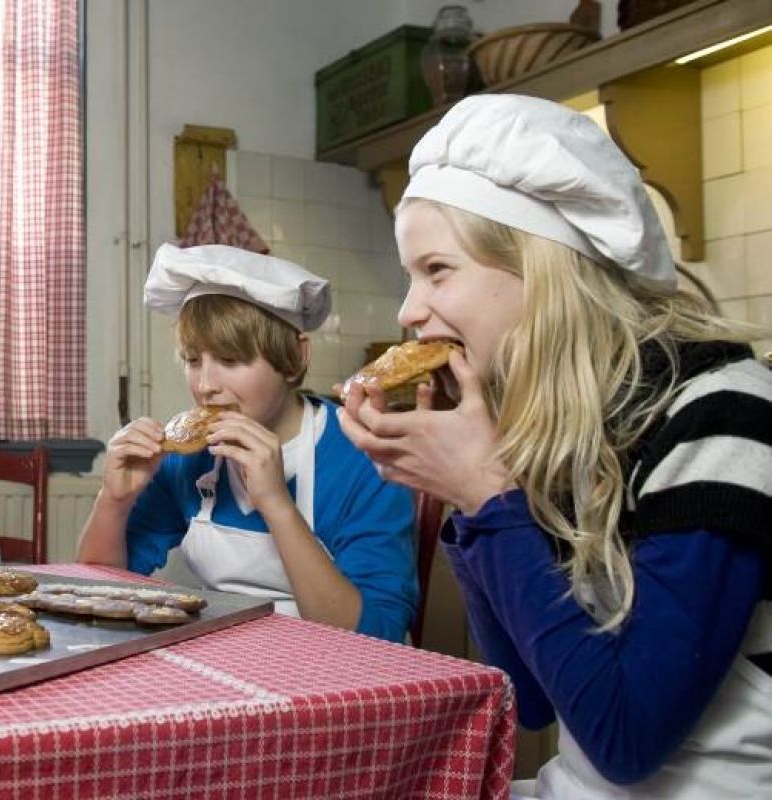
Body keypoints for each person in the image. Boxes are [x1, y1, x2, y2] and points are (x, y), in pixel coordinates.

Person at [338, 94, 772, 796]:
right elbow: (535, 697)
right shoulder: (573, 429)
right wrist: (471, 504)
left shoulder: (722, 415)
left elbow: (626, 738)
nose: (406, 311)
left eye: (436, 270)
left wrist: (486, 495)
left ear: (543, 269)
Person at [75, 244, 418, 642]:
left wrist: (275, 503)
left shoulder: (365, 456)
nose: (205, 386)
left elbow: (376, 637)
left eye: (231, 360)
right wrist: (113, 502)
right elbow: (103, 589)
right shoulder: (188, 460)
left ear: (295, 356)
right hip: (231, 656)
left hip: (340, 676)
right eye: (192, 360)